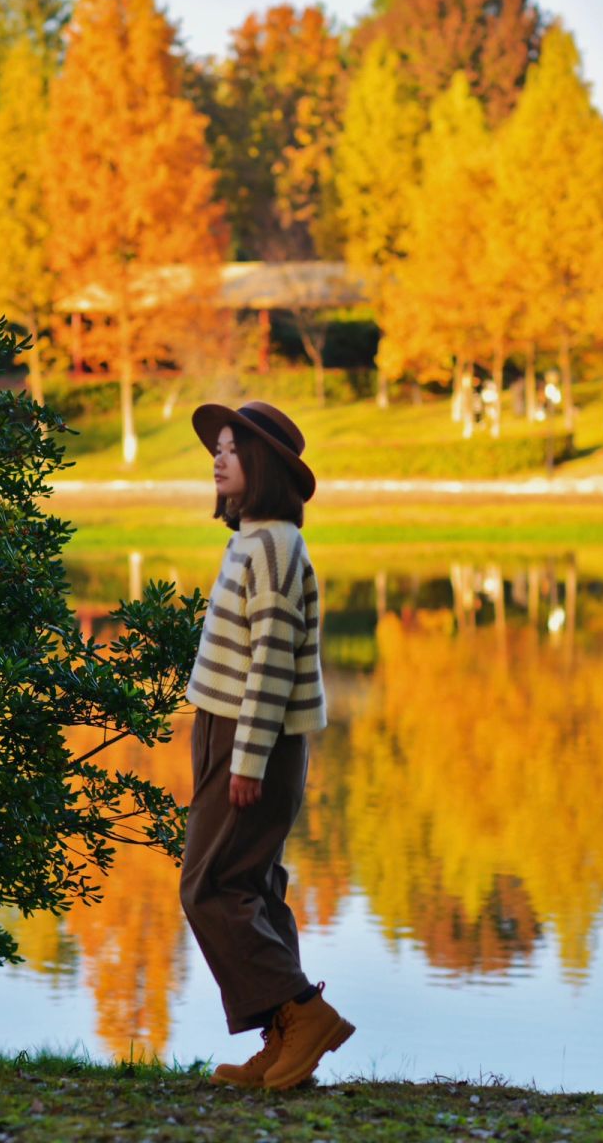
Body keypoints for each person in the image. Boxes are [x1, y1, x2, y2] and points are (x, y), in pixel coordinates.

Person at [179, 399, 355, 1090]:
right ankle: (286, 1044)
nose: (218, 459)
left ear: (266, 468)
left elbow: (273, 659)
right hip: (229, 730)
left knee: (209, 886)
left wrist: (247, 758)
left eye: (231, 449)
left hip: (254, 740)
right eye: (216, 449)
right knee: (251, 885)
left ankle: (305, 1014)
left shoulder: (277, 546)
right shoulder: (253, 540)